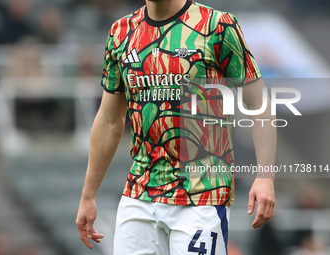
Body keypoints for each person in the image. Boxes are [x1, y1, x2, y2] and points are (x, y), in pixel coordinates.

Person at [76, 0, 276, 254]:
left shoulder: (217, 26)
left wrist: (265, 177)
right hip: (139, 194)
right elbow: (109, 119)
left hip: (201, 195)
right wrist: (88, 195)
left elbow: (259, 102)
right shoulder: (121, 32)